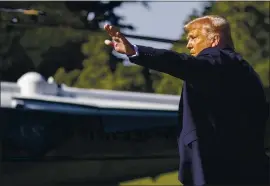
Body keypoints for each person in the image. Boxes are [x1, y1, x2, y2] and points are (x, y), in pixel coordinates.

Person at [104, 15, 269, 185]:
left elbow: (179, 62)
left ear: (214, 40)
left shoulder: (217, 58)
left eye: (193, 38)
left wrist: (134, 51)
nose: (189, 44)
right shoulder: (246, 71)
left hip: (220, 170)